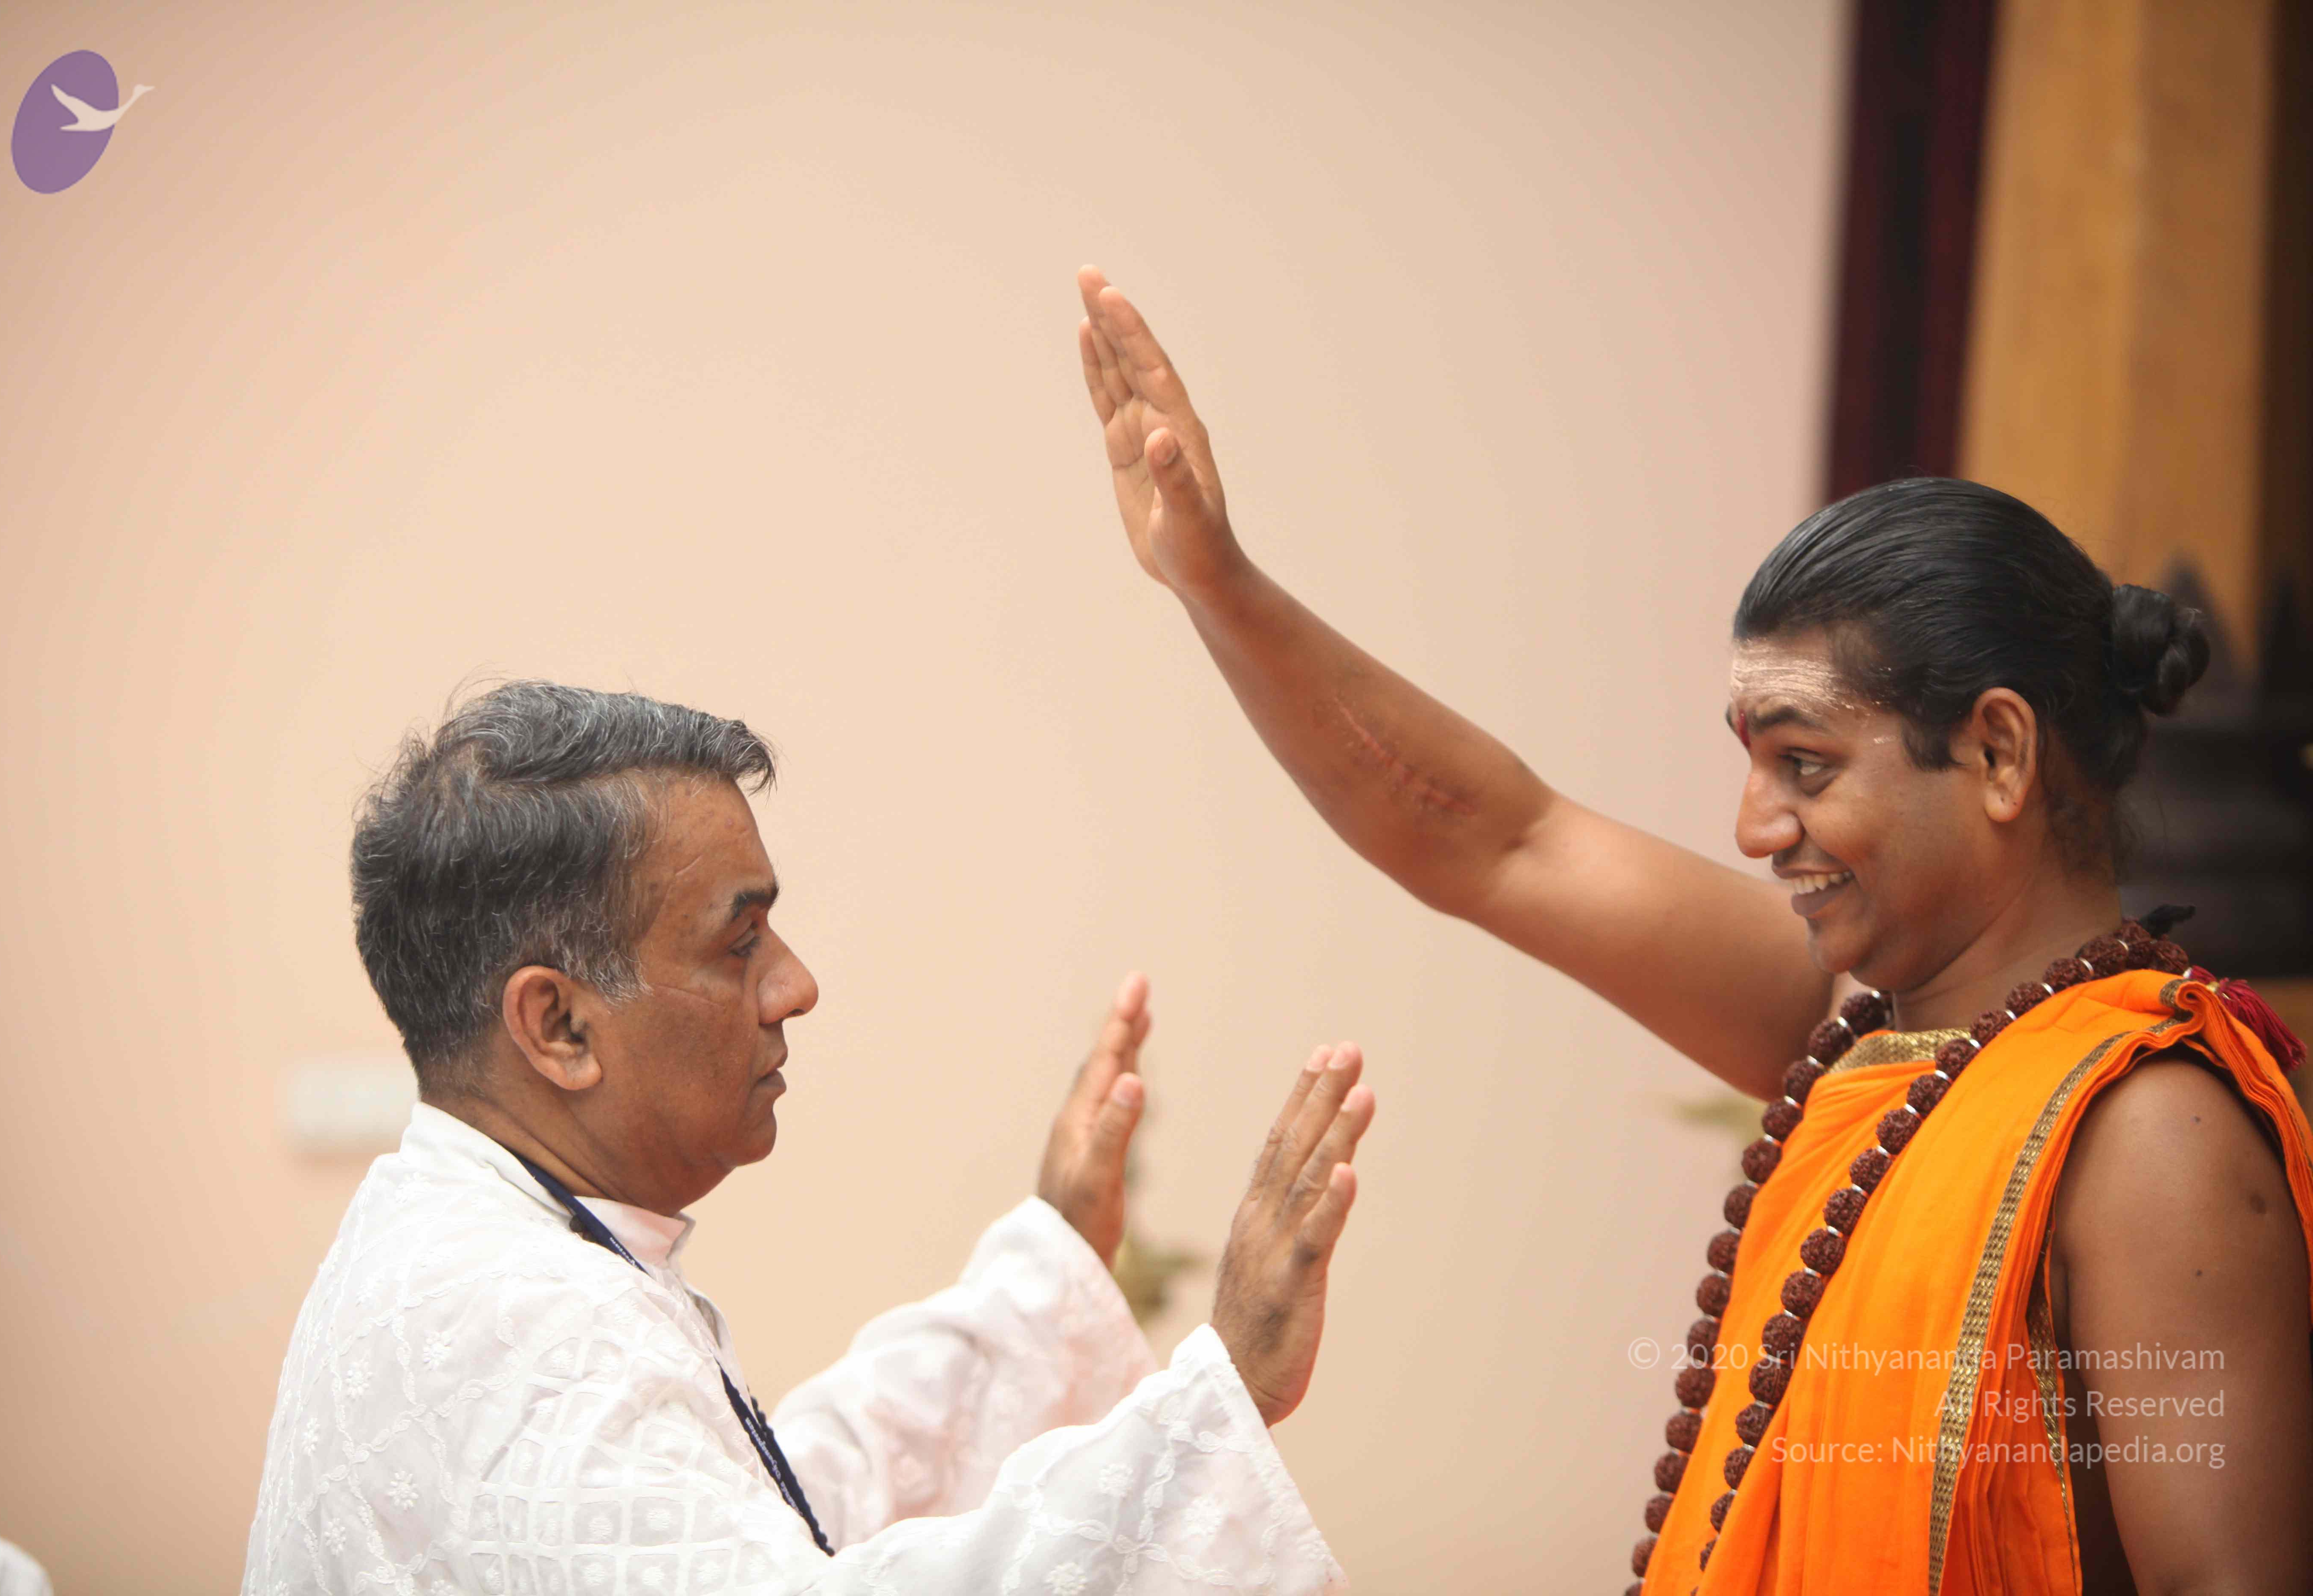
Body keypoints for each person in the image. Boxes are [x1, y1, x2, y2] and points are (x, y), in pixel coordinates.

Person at [1073, 268, 2313, 1595]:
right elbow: (1493, 840)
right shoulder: (1858, 1045)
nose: (1753, 826)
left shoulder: (2151, 1135)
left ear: (1998, 752)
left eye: (1806, 764)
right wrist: (1218, 585)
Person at [243, 681, 1373, 1594]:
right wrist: (1219, 1403)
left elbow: (772, 1522)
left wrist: (1047, 1277)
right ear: (560, 1026)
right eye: (740, 944)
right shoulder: (514, 1327)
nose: (797, 987)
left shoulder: (477, 1252)